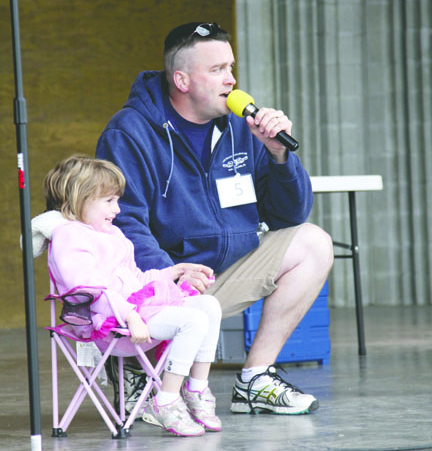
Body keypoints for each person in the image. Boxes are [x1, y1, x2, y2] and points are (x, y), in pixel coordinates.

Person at [96, 22, 334, 415]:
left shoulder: (242, 126)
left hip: (220, 276)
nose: (232, 79)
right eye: (218, 69)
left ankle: (255, 378)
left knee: (312, 242)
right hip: (160, 285)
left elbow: (288, 216)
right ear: (182, 80)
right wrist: (167, 274)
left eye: (232, 67)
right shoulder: (130, 131)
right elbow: (122, 223)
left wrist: (279, 155)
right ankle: (136, 364)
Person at [37, 155, 223, 437]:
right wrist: (130, 314)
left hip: (136, 312)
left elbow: (134, 280)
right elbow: (88, 290)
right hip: (109, 325)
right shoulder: (70, 237)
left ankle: (196, 389)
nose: (118, 209)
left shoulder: (112, 234)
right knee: (192, 321)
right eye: (109, 201)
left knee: (208, 305)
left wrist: (173, 272)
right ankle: (166, 401)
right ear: (80, 198)